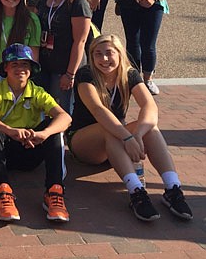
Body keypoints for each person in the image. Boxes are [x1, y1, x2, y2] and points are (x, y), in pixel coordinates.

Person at [68, 35, 192, 222]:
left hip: (118, 141)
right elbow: (98, 111)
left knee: (151, 127)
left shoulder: (129, 74)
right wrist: (128, 138)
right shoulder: (86, 75)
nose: (104, 59)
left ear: (119, 54)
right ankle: (136, 192)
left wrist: (139, 135)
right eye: (98, 54)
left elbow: (150, 106)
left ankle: (172, 188)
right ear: (91, 57)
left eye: (109, 53)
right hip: (85, 142)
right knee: (108, 129)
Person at [0, 43, 72, 223]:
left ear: (31, 69)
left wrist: (43, 134)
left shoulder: (37, 92)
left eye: (25, 65)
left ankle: (54, 192)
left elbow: (65, 117)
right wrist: (9, 130)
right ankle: (2, 191)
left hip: (32, 147)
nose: (20, 69)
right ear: (6, 68)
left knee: (55, 128)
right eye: (14, 64)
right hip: (5, 150)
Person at [37, 0, 92, 114]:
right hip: (45, 63)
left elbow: (80, 42)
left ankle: (62, 139)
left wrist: (70, 74)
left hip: (65, 67)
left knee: (61, 111)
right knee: (43, 109)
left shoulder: (79, 3)